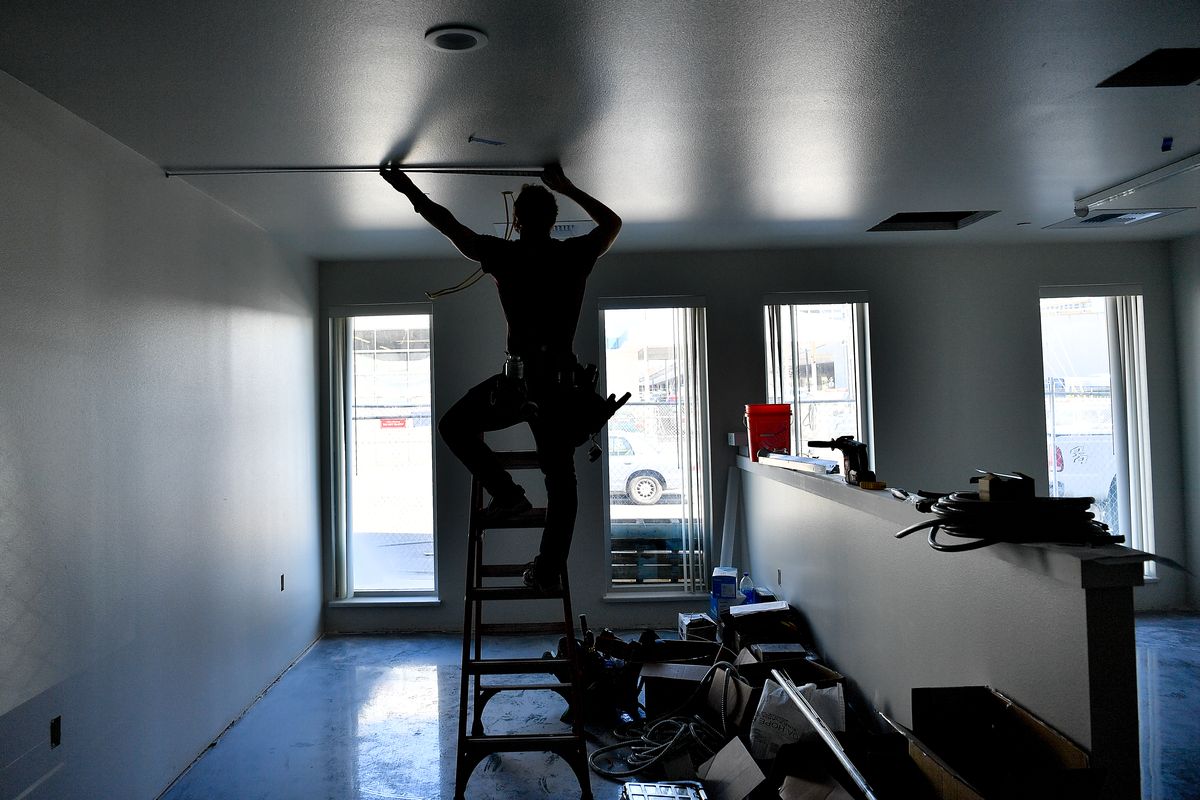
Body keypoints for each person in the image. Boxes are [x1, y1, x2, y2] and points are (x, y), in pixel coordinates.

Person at [380, 163, 622, 591]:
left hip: (520, 383)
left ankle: (508, 495)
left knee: (453, 426)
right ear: (552, 220)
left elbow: (449, 225)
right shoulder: (573, 255)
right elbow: (612, 222)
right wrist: (567, 186)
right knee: (562, 483)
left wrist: (407, 187)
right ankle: (545, 567)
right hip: (559, 388)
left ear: (516, 220)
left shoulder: (505, 255)